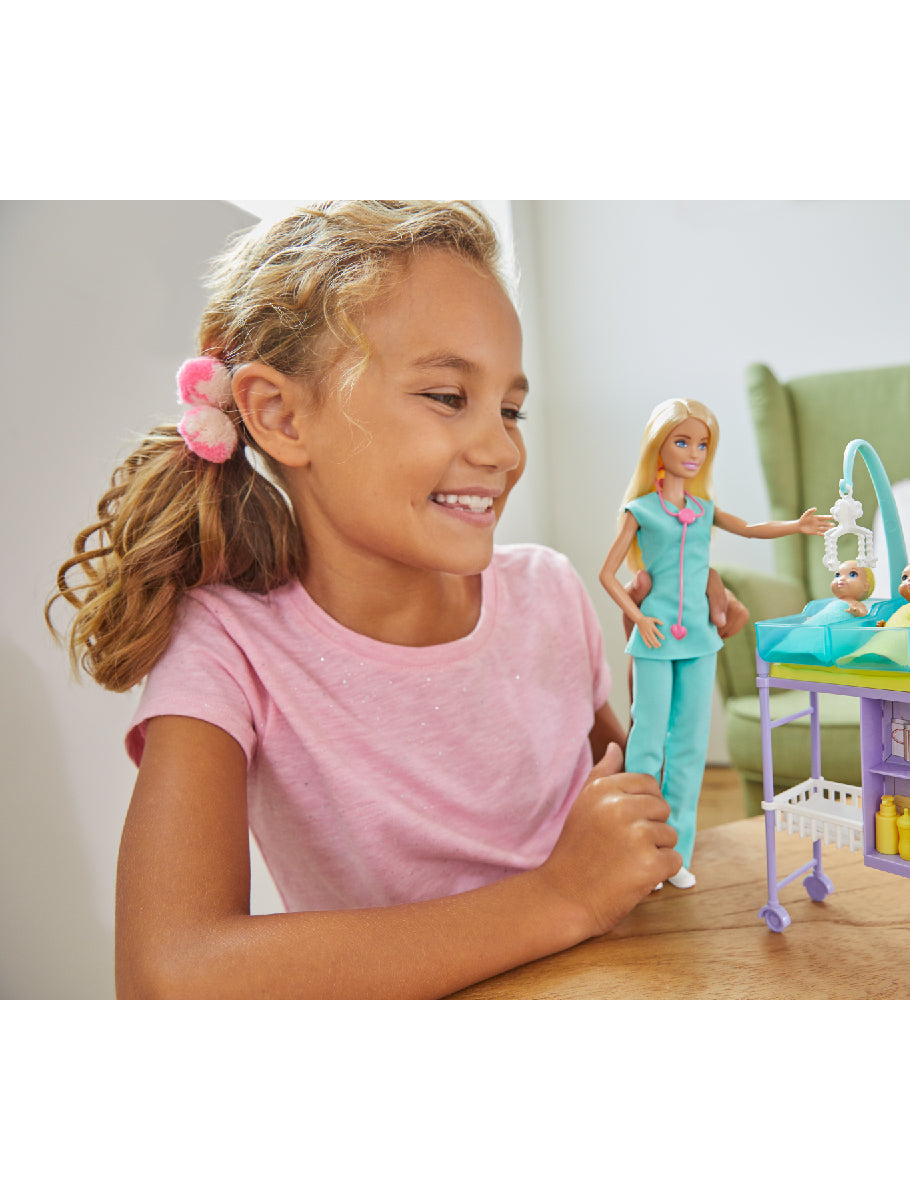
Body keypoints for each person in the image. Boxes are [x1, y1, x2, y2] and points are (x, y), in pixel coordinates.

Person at [46, 201, 684, 999]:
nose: (502, 449)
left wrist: (672, 673)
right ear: (280, 415)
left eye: (509, 408)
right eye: (447, 396)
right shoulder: (229, 649)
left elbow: (638, 829)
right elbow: (166, 975)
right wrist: (559, 899)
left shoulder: (549, 592)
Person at [598, 399, 833, 888]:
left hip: (700, 641)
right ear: (658, 446)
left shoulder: (704, 510)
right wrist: (639, 617)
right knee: (647, 742)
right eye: (683, 442)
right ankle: (639, 851)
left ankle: (675, 856)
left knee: (688, 748)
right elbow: (607, 574)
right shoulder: (641, 510)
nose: (694, 453)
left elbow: (749, 529)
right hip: (655, 638)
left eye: (702, 445)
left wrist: (797, 526)